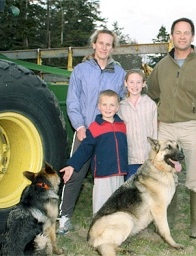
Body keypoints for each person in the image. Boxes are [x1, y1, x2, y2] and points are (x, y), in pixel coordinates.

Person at [147, 17, 196, 239]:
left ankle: (195, 225)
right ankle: (164, 221)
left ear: (193, 36)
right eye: (177, 32)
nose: (182, 36)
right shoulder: (162, 65)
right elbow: (151, 94)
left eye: (186, 32)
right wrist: (154, 118)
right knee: (162, 176)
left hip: (193, 126)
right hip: (166, 127)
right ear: (171, 36)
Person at [57, 29, 126, 235]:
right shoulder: (81, 70)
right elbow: (72, 100)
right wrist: (78, 125)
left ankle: (111, 217)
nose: (104, 47)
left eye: (108, 44)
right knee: (75, 173)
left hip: (107, 134)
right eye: (101, 43)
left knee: (107, 177)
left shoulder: (119, 73)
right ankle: (65, 217)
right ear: (94, 44)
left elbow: (123, 100)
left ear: (112, 48)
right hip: (86, 132)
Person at [59, 90, 128, 215]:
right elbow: (85, 149)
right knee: (102, 205)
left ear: (117, 107)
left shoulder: (122, 126)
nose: (108, 108)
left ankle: (115, 229)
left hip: (119, 173)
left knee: (118, 203)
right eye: (104, 105)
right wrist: (72, 165)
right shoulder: (95, 127)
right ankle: (99, 228)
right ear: (99, 106)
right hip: (103, 173)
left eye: (112, 105)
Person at [117, 69, 158, 181]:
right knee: (131, 193)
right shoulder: (120, 107)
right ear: (125, 83)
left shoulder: (150, 105)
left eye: (138, 82)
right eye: (131, 82)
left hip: (148, 159)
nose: (135, 86)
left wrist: (155, 154)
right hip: (130, 159)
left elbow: (155, 131)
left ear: (144, 83)